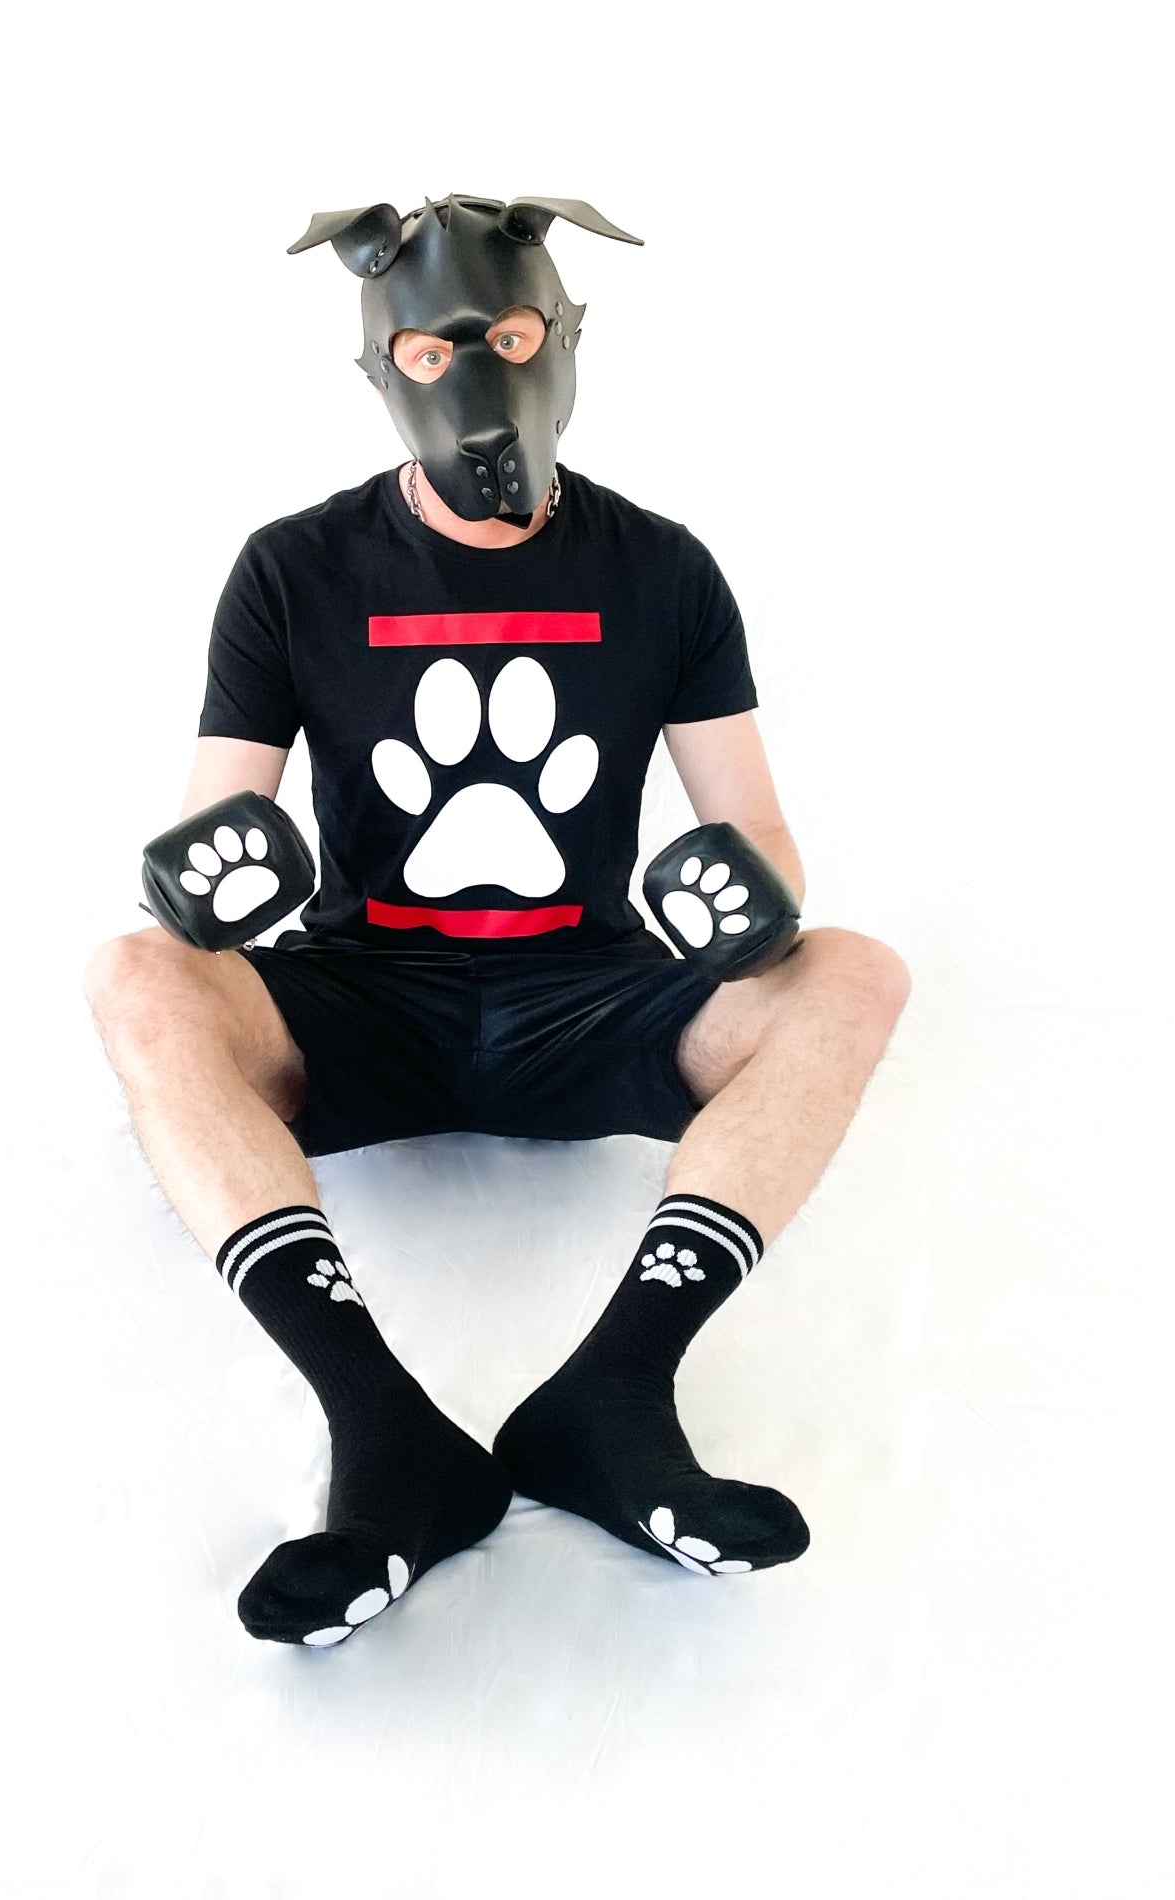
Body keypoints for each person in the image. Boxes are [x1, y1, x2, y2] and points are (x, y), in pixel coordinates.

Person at [85, 194, 911, 1648]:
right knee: (135, 975)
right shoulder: (293, 567)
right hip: (362, 1002)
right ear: (380, 367)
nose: (476, 381)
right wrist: (203, 879)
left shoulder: (661, 567)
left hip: (593, 999)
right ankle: (384, 1436)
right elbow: (219, 832)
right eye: (430, 354)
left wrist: (750, 903)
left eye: (513, 337)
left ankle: (613, 1397)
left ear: (566, 338)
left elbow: (756, 826)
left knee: (854, 971)